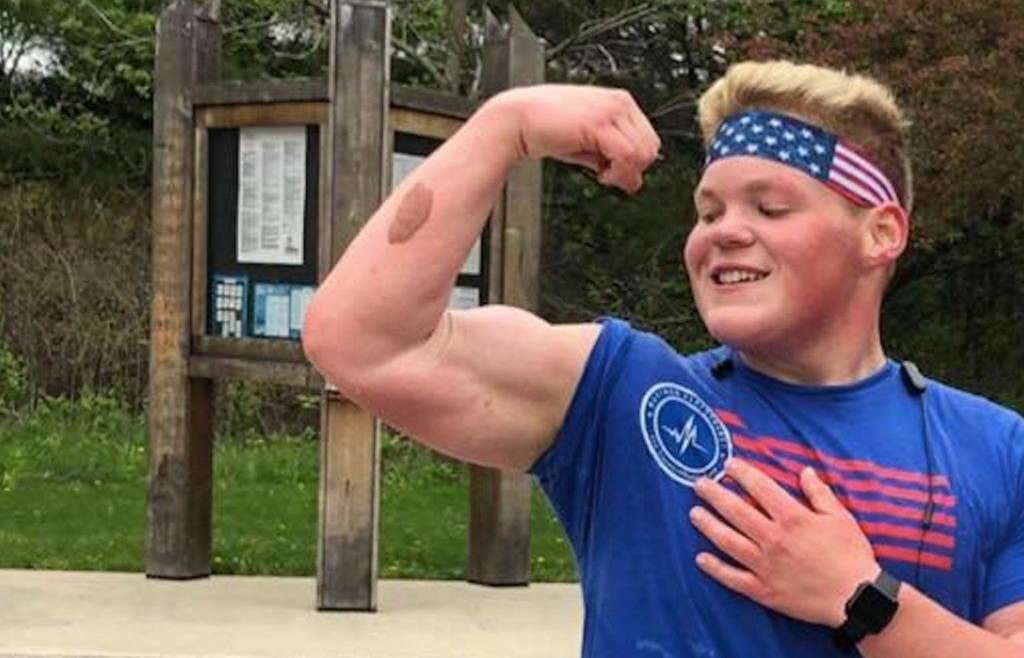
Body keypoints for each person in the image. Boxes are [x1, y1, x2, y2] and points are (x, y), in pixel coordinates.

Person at [302, 60, 1024, 657]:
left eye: (769, 208)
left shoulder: (996, 450)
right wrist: (505, 127)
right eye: (709, 212)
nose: (723, 232)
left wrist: (860, 597)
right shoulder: (619, 394)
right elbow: (362, 344)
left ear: (881, 233)